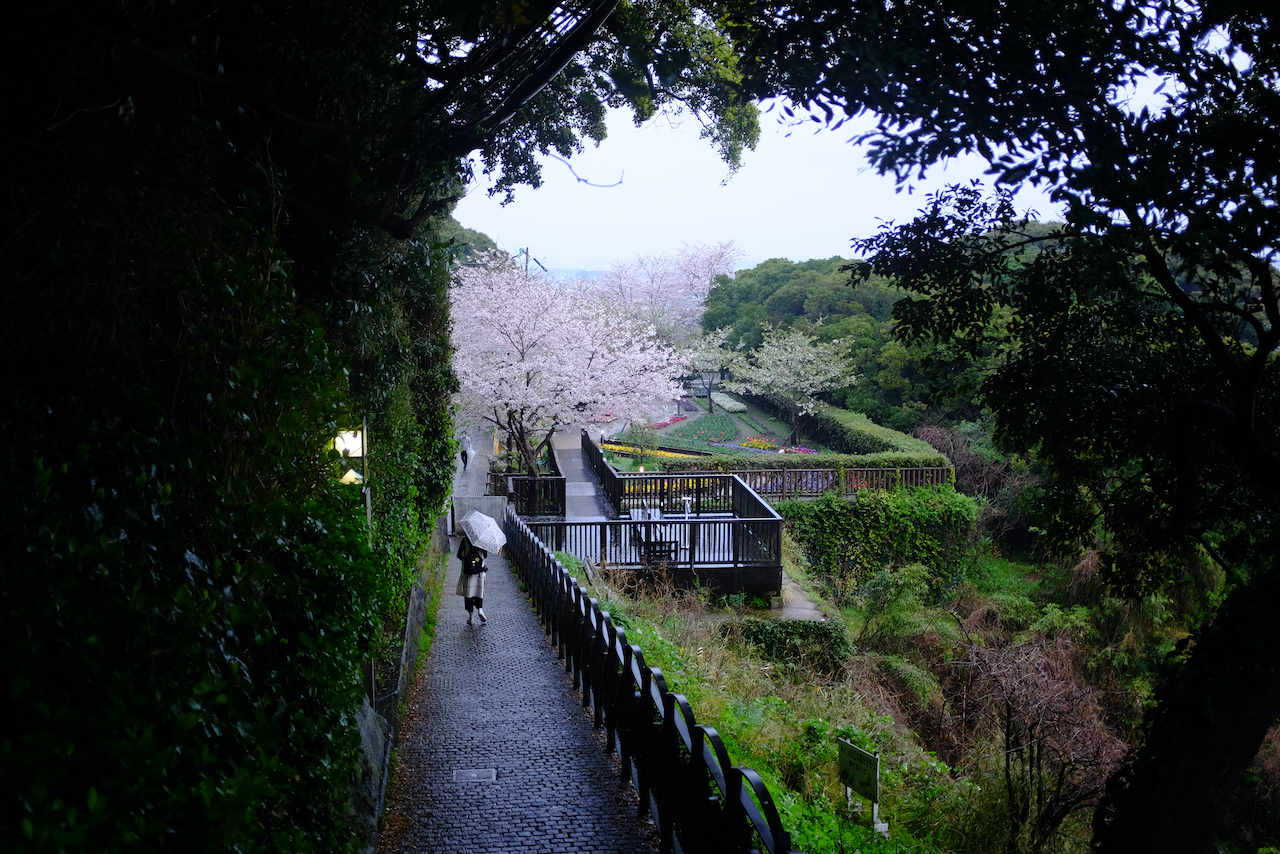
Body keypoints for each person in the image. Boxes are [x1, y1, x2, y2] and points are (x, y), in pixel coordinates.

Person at [455, 535, 487, 624]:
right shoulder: (482, 541)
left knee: (468, 594)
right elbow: (485, 555)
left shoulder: (465, 540)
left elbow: (459, 555)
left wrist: (466, 560)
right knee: (479, 592)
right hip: (480, 572)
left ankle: (471, 617)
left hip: (468, 573)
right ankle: (480, 610)